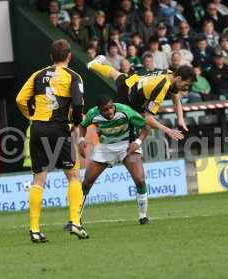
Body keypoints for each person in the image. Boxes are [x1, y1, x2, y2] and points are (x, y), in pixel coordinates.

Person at [16, 39, 88, 242]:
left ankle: (35, 229)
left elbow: (20, 99)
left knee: (38, 179)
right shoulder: (74, 77)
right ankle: (75, 222)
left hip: (37, 128)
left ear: (50, 57)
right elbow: (77, 102)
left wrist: (31, 115)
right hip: (59, 128)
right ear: (70, 56)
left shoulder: (38, 74)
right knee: (73, 175)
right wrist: (74, 123)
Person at [87, 54, 196, 140]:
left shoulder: (170, 73)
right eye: (186, 84)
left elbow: (176, 98)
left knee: (116, 74)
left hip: (134, 82)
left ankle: (93, 65)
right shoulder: (162, 87)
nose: (186, 88)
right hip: (129, 97)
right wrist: (169, 131)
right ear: (179, 78)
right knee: (145, 126)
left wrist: (180, 120)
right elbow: (148, 118)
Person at [79, 95, 151, 224]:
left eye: (111, 107)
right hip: (105, 147)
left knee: (140, 180)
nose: (110, 111)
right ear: (99, 109)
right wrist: (81, 139)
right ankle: (75, 219)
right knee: (86, 183)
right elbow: (83, 126)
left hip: (127, 145)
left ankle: (143, 216)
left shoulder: (125, 111)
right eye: (105, 109)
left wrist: (138, 142)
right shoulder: (92, 114)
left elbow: (146, 127)